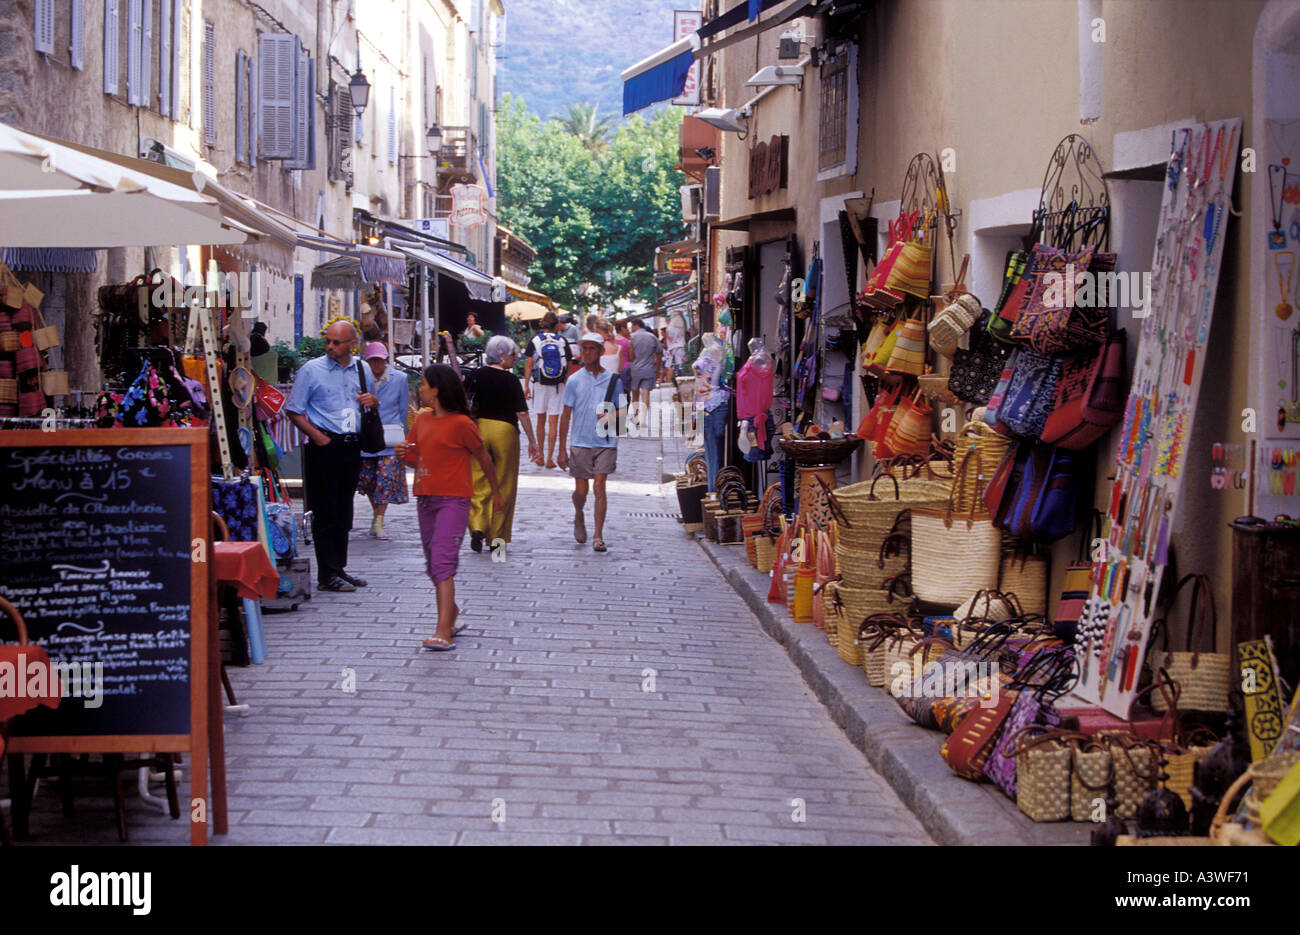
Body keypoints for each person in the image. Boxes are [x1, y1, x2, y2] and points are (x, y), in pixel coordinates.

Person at [396, 364, 505, 651]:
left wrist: (496, 494)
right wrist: (403, 454)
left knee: (442, 563)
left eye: (423, 385)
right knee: (433, 564)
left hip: (454, 501)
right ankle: (452, 614)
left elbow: (483, 458)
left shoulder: (462, 424)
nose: (420, 389)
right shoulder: (421, 420)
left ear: (437, 390)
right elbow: (415, 459)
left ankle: (443, 630)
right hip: (426, 498)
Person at [285, 320, 379, 592]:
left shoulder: (362, 369)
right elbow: (293, 410)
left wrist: (374, 402)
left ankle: (339, 567)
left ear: (352, 344)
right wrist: (317, 436)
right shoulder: (311, 371)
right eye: (328, 341)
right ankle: (327, 574)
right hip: (324, 444)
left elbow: (372, 402)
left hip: (351, 445)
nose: (330, 346)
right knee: (325, 510)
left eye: (336, 342)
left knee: (344, 509)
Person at [465, 335, 541, 553]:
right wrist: (533, 441)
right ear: (501, 356)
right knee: (504, 484)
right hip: (505, 431)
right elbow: (522, 413)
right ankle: (497, 537)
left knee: (478, 479)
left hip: (479, 429)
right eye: (512, 354)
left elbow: (463, 400)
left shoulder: (476, 375)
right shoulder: (510, 380)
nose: (515, 359)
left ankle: (478, 526)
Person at [557, 332, 626, 553]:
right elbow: (566, 415)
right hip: (580, 441)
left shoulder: (614, 380)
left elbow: (624, 415)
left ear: (600, 352)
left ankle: (598, 535)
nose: (586, 353)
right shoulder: (574, 380)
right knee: (580, 491)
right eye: (583, 348)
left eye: (591, 348)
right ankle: (579, 514)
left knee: (599, 486)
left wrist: (611, 417)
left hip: (605, 442)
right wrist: (561, 450)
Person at [356, 342, 410, 540]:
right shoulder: (360, 378)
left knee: (386, 479)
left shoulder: (400, 378)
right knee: (368, 480)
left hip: (389, 437)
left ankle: (379, 519)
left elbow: (403, 408)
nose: (377, 365)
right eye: (372, 361)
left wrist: (396, 428)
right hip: (368, 437)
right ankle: (376, 514)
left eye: (380, 360)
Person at [522, 311, 573, 468]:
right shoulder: (562, 340)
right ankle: (550, 458)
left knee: (540, 421)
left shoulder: (535, 340)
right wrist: (564, 381)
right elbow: (569, 366)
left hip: (540, 384)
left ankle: (541, 456)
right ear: (556, 325)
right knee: (553, 422)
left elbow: (529, 364)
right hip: (558, 386)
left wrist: (526, 385)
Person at [626, 317, 662, 428]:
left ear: (636, 325)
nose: (631, 329)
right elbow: (659, 352)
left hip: (634, 370)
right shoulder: (652, 337)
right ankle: (643, 417)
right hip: (648, 369)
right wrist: (658, 368)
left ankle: (636, 416)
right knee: (645, 393)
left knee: (635, 394)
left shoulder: (631, 338)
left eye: (632, 326)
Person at [614, 319, 634, 401]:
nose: (627, 330)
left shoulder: (612, 341)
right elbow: (631, 358)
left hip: (615, 368)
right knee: (626, 392)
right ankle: (624, 411)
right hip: (626, 368)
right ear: (622, 328)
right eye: (626, 328)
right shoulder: (628, 342)